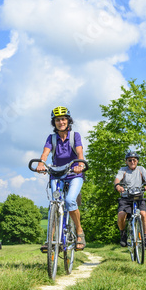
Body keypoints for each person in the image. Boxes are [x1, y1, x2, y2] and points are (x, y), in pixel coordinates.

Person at [37, 106, 86, 251]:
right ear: (54, 123)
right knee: (54, 203)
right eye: (58, 120)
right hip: (57, 173)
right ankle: (50, 240)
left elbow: (79, 151)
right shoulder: (51, 138)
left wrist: (79, 164)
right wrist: (41, 163)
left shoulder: (74, 136)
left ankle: (79, 232)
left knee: (70, 200)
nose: (61, 122)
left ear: (68, 121)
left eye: (63, 119)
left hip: (74, 173)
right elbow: (45, 153)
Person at [114, 150, 146, 248]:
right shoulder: (123, 170)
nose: (132, 162)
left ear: (137, 161)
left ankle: (145, 238)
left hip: (138, 196)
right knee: (121, 214)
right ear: (126, 162)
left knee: (143, 214)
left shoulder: (141, 169)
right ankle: (123, 235)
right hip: (126, 197)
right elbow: (117, 180)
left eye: (134, 160)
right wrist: (118, 186)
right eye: (130, 160)